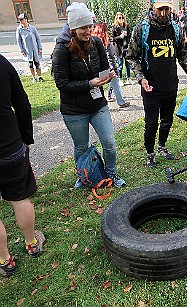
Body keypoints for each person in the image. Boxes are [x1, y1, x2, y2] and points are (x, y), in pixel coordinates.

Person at [51, 2, 126, 188]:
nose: (88, 31)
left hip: (97, 105)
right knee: (81, 147)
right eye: (83, 27)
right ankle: (82, 176)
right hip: (73, 110)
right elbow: (62, 84)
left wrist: (107, 76)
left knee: (109, 143)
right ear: (73, 27)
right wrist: (89, 84)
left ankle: (111, 173)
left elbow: (102, 68)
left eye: (90, 26)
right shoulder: (61, 49)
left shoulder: (97, 43)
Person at [126, 0, 187, 168]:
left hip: (170, 85)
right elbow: (131, 57)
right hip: (150, 86)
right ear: (152, 7)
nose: (163, 13)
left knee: (167, 120)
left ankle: (161, 146)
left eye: (166, 9)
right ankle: (150, 153)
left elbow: (183, 57)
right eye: (160, 9)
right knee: (151, 123)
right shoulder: (141, 28)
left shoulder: (176, 28)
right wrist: (141, 78)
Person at [0, 54, 45, 277]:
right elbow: (22, 104)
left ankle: (4, 260)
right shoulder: (1, 62)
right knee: (19, 198)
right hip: (9, 147)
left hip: (9, 146)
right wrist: (27, 137)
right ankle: (31, 243)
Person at [91, 22, 130, 108]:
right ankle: (120, 102)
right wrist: (113, 70)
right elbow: (110, 56)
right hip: (106, 69)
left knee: (97, 86)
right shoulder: (105, 42)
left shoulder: (91, 42)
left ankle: (106, 98)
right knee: (114, 80)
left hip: (95, 71)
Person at [15, 13, 44, 82]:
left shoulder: (32, 28)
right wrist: (22, 50)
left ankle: (40, 77)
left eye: (22, 20)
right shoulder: (19, 29)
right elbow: (19, 41)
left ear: (26, 19)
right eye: (20, 20)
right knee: (30, 64)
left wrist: (40, 48)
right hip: (27, 50)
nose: (21, 21)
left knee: (37, 63)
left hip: (35, 49)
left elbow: (38, 38)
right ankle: (34, 77)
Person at [111, 12, 132, 85]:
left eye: (122, 18)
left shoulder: (126, 26)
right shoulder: (114, 27)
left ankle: (128, 78)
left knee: (128, 64)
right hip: (119, 49)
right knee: (120, 65)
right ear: (117, 19)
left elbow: (129, 36)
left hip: (126, 48)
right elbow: (112, 38)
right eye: (119, 18)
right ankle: (120, 79)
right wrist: (121, 36)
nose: (121, 19)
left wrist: (129, 43)